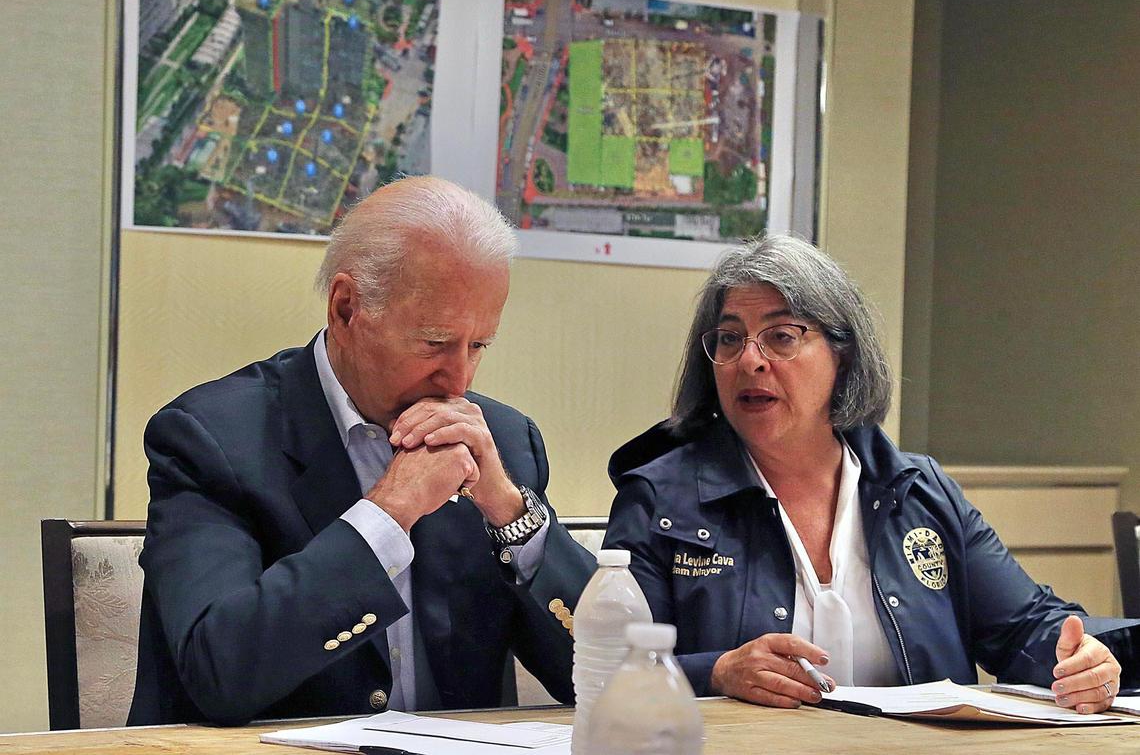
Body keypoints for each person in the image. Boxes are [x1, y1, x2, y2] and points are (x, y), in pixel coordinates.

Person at [128, 176, 595, 726]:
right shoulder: (211, 438)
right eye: (434, 343)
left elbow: (611, 679)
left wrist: (511, 514)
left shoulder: (504, 440)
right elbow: (218, 673)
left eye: (479, 346)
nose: (459, 379)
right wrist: (387, 514)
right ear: (346, 308)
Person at [603, 235, 1137, 713]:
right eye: (728, 338)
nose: (750, 360)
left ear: (843, 356)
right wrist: (717, 673)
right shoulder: (658, 499)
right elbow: (605, 672)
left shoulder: (917, 491)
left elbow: (1026, 627)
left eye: (782, 336)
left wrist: (1079, 659)